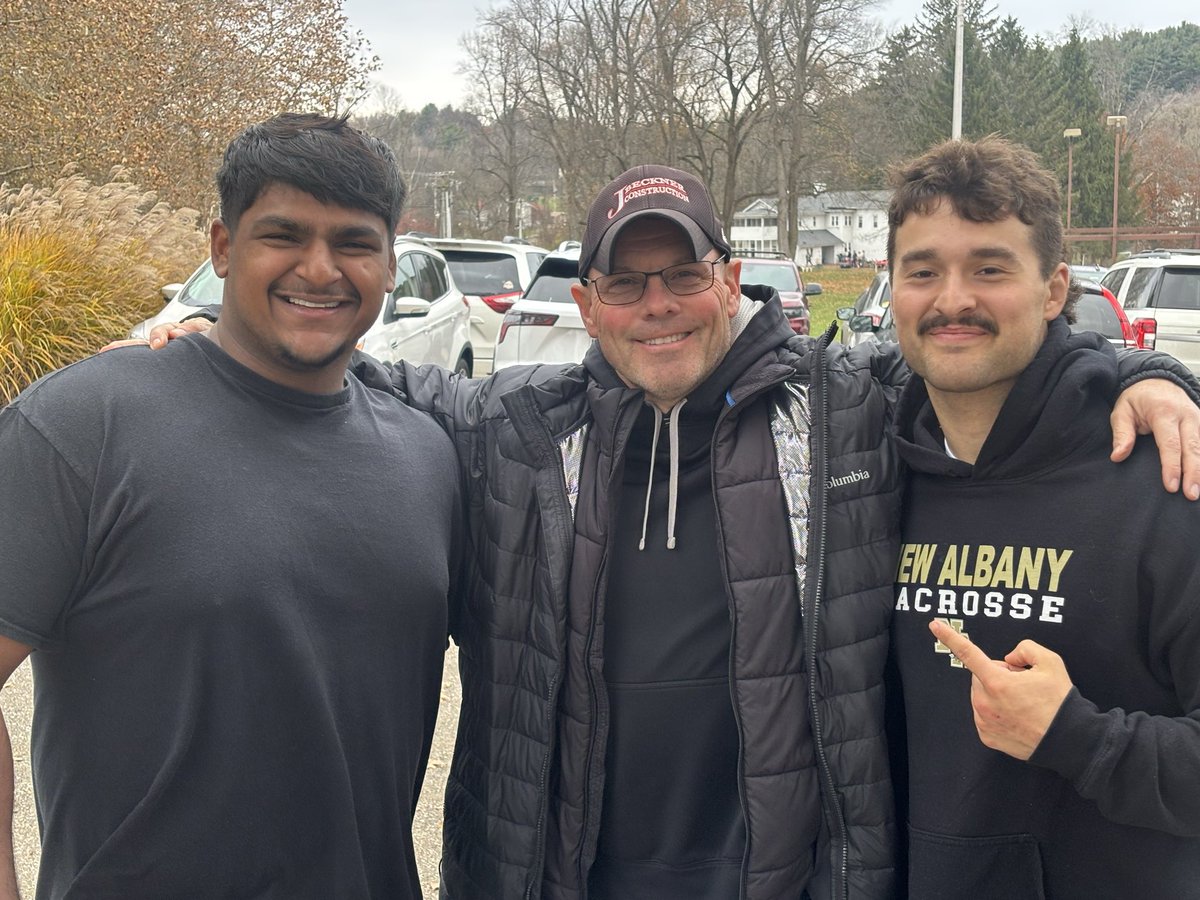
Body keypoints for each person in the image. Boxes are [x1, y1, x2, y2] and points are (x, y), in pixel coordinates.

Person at [143, 164, 1200, 900]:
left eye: (684, 276)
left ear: (730, 281)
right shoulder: (518, 431)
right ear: (592, 301)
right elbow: (375, 378)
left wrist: (1149, 372)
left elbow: (977, 352)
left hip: (779, 876)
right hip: (559, 872)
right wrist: (217, 337)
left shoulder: (843, 408)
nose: (660, 306)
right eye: (627, 283)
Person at [0, 113, 462, 899]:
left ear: (390, 262)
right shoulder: (83, 426)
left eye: (353, 242)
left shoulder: (429, 457)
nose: (320, 269)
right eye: (283, 234)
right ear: (221, 247)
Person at [886, 137, 1200, 899]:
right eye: (922, 271)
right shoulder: (860, 466)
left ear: (1055, 290)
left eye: (990, 269)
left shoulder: (1164, 476)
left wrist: (1078, 738)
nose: (952, 299)